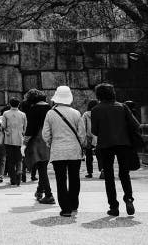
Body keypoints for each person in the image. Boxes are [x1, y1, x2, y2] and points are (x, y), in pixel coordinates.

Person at [91, 83, 141, 217]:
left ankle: (114, 206)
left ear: (99, 95)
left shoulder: (96, 109)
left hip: (105, 145)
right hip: (123, 143)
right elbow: (136, 125)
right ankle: (129, 199)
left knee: (109, 176)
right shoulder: (122, 107)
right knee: (124, 174)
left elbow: (94, 131)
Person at [42, 86, 87, 217]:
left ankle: (65, 209)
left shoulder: (51, 113)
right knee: (74, 179)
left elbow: (45, 134)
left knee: (61, 180)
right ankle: (74, 205)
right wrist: (80, 144)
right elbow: (82, 133)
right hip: (74, 151)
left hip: (58, 151)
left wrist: (51, 143)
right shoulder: (76, 113)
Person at [23, 89, 53, 204]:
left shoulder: (33, 109)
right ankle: (39, 191)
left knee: (41, 168)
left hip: (38, 140)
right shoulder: (50, 108)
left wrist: (25, 143)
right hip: (49, 140)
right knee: (43, 166)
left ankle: (49, 195)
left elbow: (30, 128)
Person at [3, 97, 27, 186]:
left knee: (10, 160)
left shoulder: (6, 113)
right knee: (19, 159)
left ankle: (13, 179)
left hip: (9, 140)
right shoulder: (23, 114)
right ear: (19, 104)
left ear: (10, 104)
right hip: (19, 139)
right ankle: (19, 175)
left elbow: (3, 126)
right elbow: (25, 128)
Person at [81, 100, 101, 178]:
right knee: (100, 155)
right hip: (98, 136)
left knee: (89, 156)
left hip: (89, 137)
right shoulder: (99, 113)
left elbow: (83, 126)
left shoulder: (86, 114)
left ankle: (90, 172)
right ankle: (102, 170)